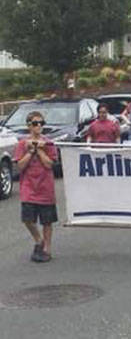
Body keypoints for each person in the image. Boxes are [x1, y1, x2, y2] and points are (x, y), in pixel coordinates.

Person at [13, 111, 58, 262]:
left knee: (47, 221)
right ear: (29, 126)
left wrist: (39, 149)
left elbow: (49, 164)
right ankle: (39, 240)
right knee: (28, 219)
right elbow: (20, 166)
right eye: (35, 123)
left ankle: (47, 249)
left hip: (45, 186)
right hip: (29, 187)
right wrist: (30, 151)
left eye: (41, 123)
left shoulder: (49, 143)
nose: (38, 126)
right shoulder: (21, 144)